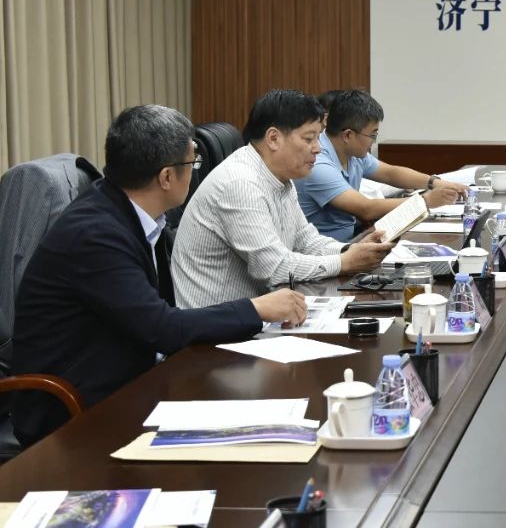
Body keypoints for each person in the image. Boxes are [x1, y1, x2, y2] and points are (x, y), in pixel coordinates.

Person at [10, 105, 306, 446]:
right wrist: (257, 308)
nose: (195, 172)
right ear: (166, 177)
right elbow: (162, 328)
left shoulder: (130, 215)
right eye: (193, 163)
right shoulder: (95, 234)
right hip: (75, 410)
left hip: (129, 380)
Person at [172, 90, 394, 308]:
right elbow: (273, 268)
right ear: (274, 138)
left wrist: (350, 250)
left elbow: (305, 241)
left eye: (318, 138)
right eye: (309, 139)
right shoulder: (241, 183)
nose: (318, 149)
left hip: (261, 311)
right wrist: (344, 262)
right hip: (219, 324)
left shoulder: (281, 177)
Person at [296, 89, 466, 241]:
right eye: (372, 135)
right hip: (327, 253)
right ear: (348, 135)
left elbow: (390, 173)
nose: (373, 142)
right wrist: (426, 200)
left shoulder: (352, 152)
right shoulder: (317, 163)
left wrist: (435, 182)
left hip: (350, 241)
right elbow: (366, 209)